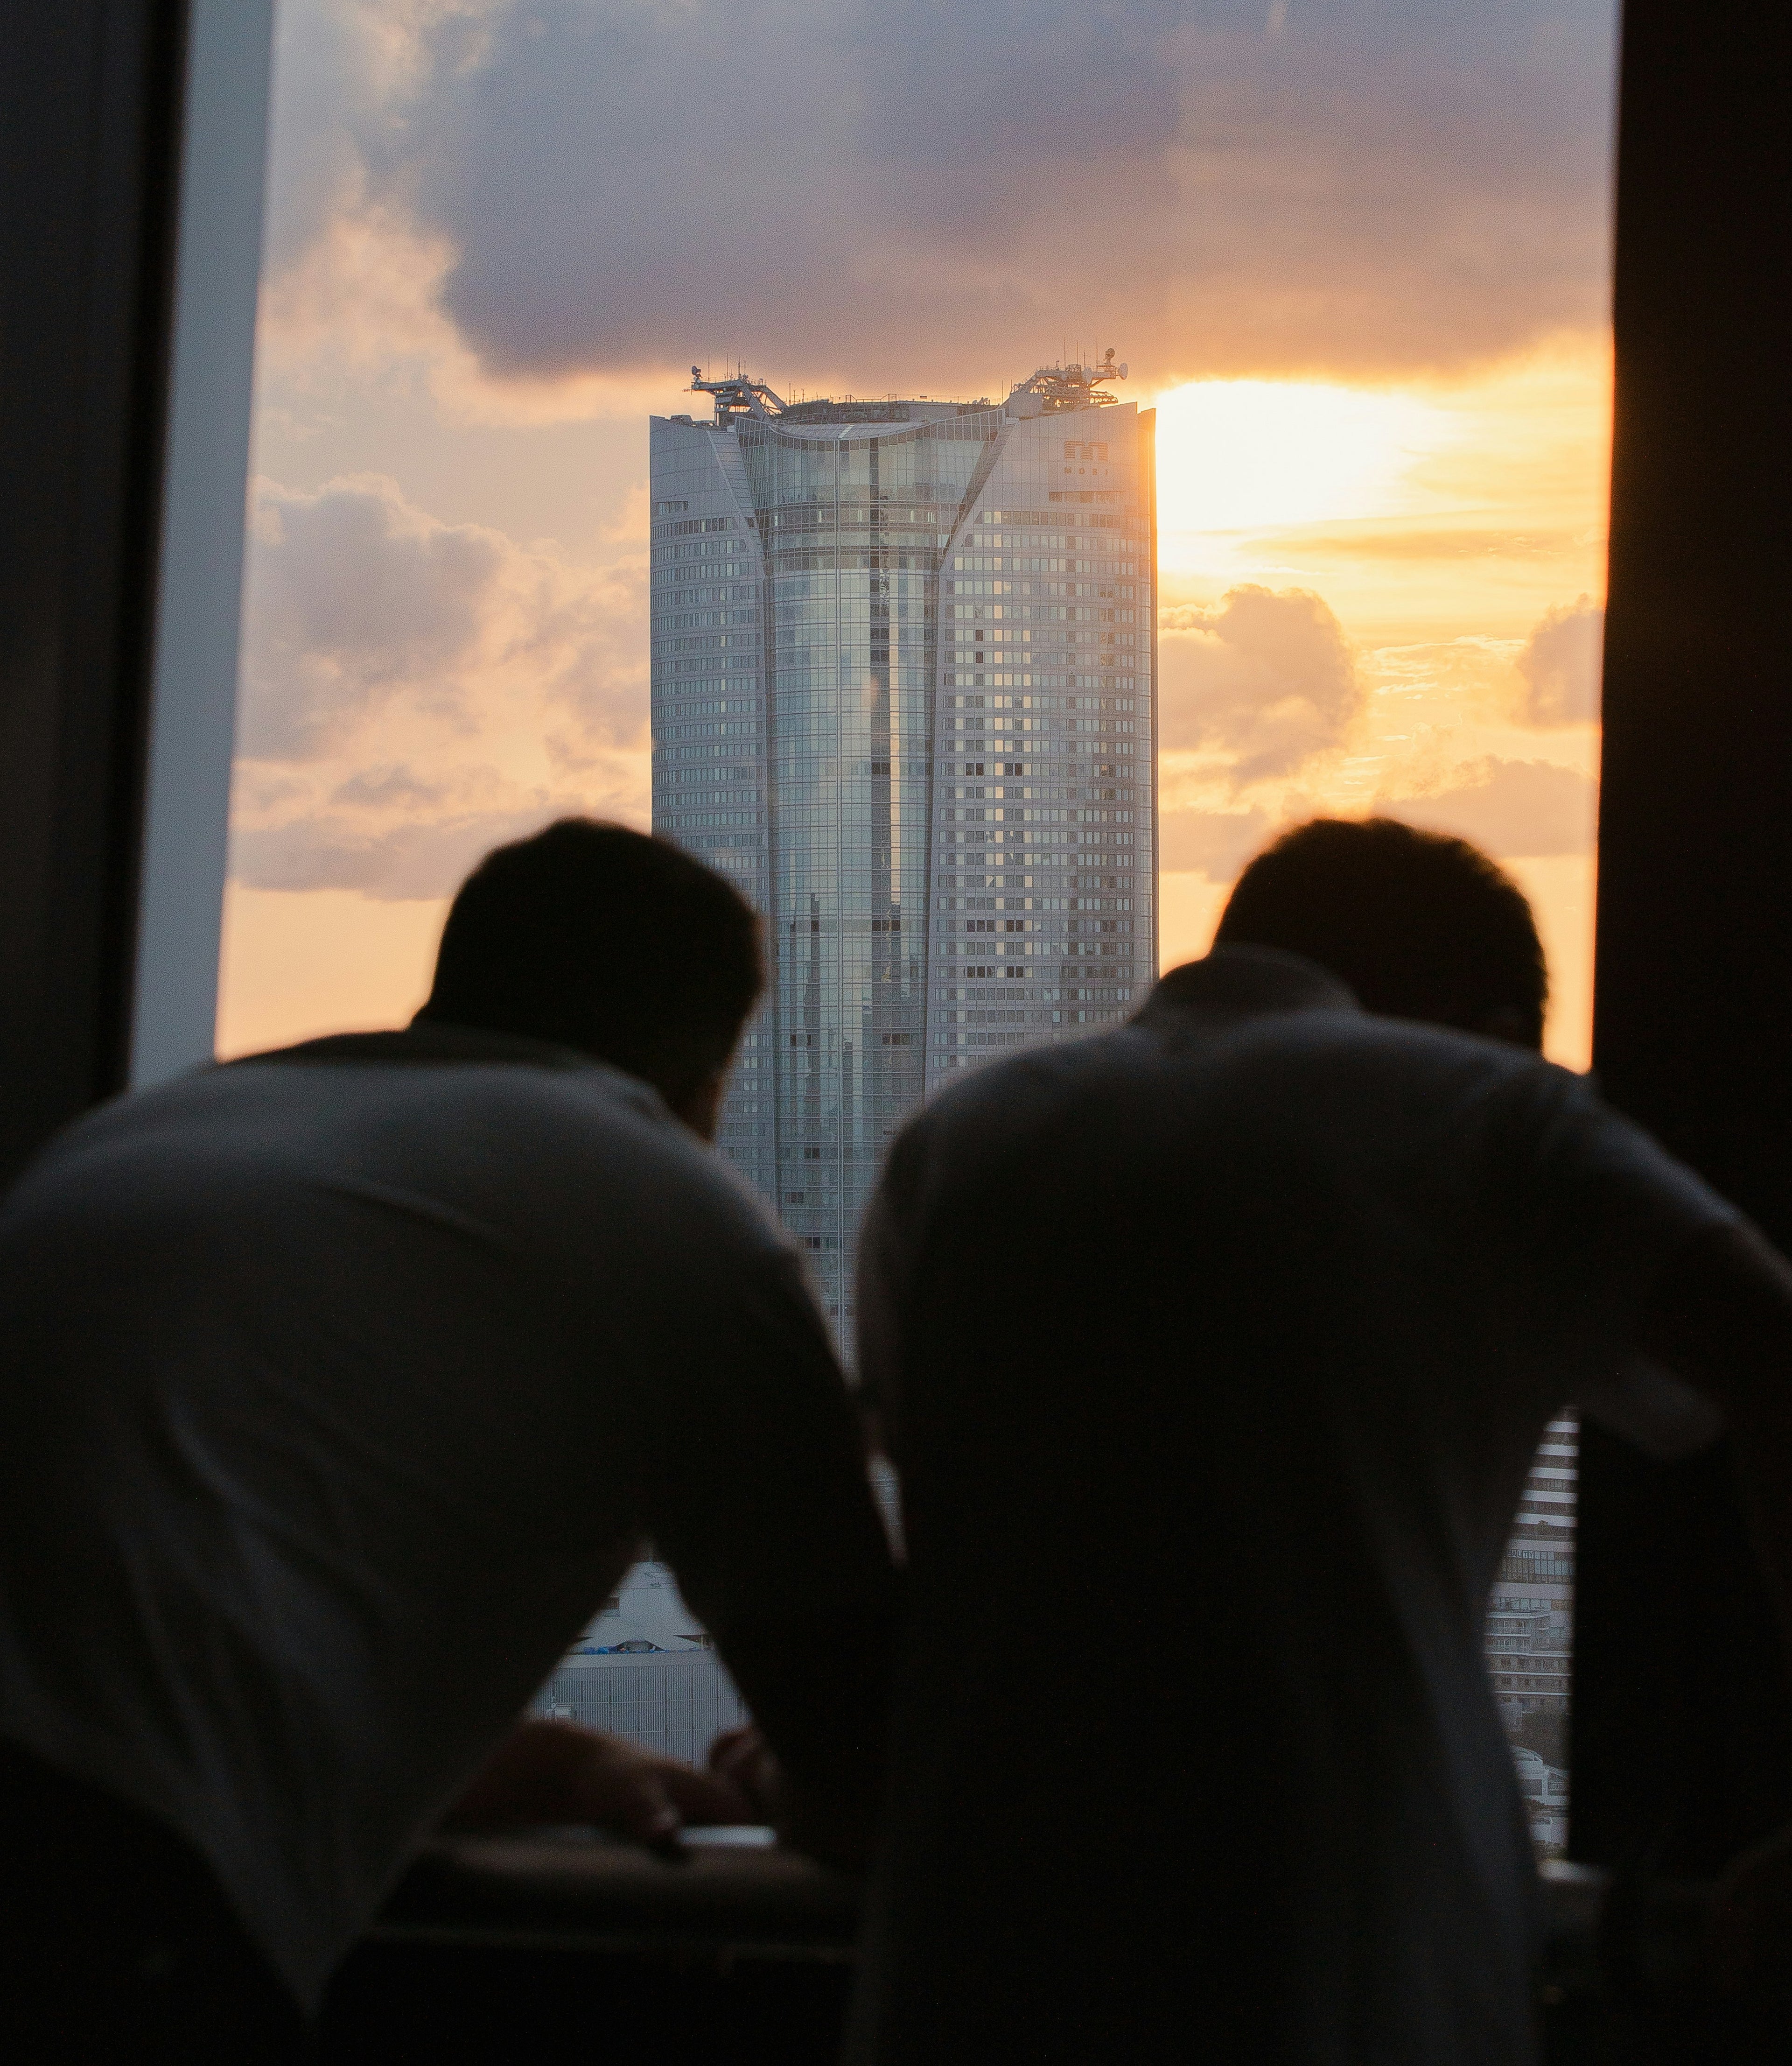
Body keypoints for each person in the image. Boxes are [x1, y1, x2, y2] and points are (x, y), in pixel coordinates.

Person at [851, 815, 1792, 2065]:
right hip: (1364, 1941)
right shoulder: (1486, 1107)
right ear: (1499, 1022)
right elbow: (1766, 1347)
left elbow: (921, 1503)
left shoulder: (958, 1138)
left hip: (975, 1948)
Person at [0, 820, 896, 2058]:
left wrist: (545, 1767)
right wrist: (783, 1777)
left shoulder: (151, 1132)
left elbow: (151, 1622)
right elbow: (871, 1776)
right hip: (101, 1895)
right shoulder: (674, 1214)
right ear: (708, 1081)